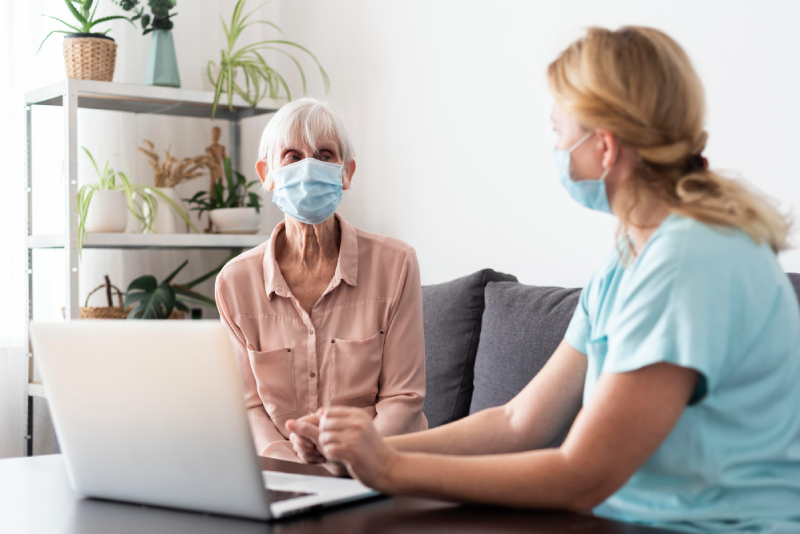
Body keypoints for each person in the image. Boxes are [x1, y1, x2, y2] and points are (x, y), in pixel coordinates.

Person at [286, 27, 800, 532]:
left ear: (604, 146)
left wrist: (389, 470)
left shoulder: (689, 262)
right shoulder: (630, 263)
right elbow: (521, 422)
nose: (556, 147)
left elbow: (584, 475)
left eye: (560, 132)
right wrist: (361, 453)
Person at [215, 98, 427, 463]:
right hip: (283, 472)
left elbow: (403, 399)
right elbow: (249, 408)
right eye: (293, 156)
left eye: (325, 155)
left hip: (380, 464)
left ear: (347, 173)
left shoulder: (397, 264)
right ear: (266, 174)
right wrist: (293, 467)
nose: (310, 167)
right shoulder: (235, 282)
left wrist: (354, 461)